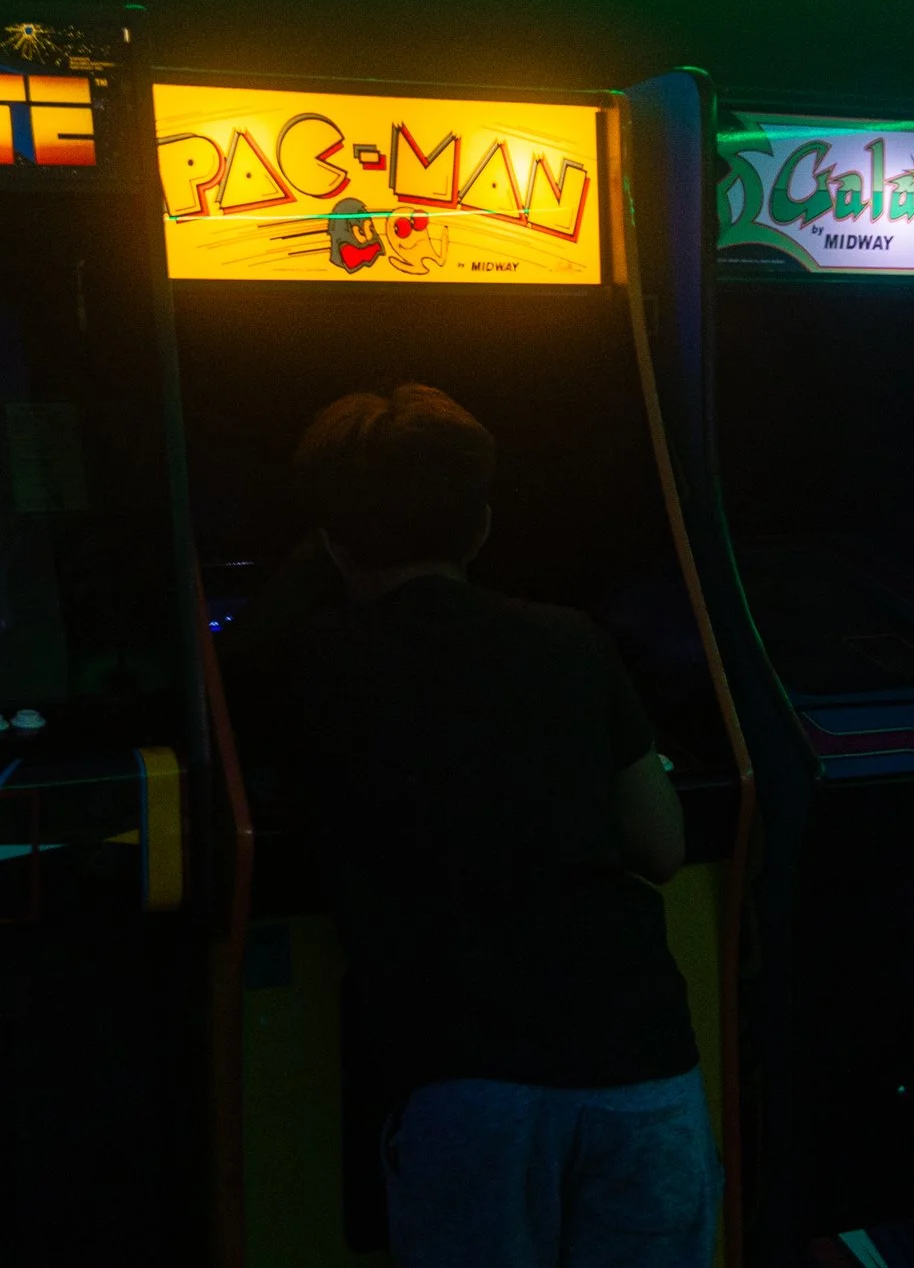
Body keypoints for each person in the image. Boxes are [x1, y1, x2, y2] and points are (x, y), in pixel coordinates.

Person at [217, 383, 718, 1268]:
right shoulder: (573, 640)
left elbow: (224, 678)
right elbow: (663, 846)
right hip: (642, 1065)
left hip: (465, 1083)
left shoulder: (309, 662)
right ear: (483, 524)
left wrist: (314, 556)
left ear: (333, 540)